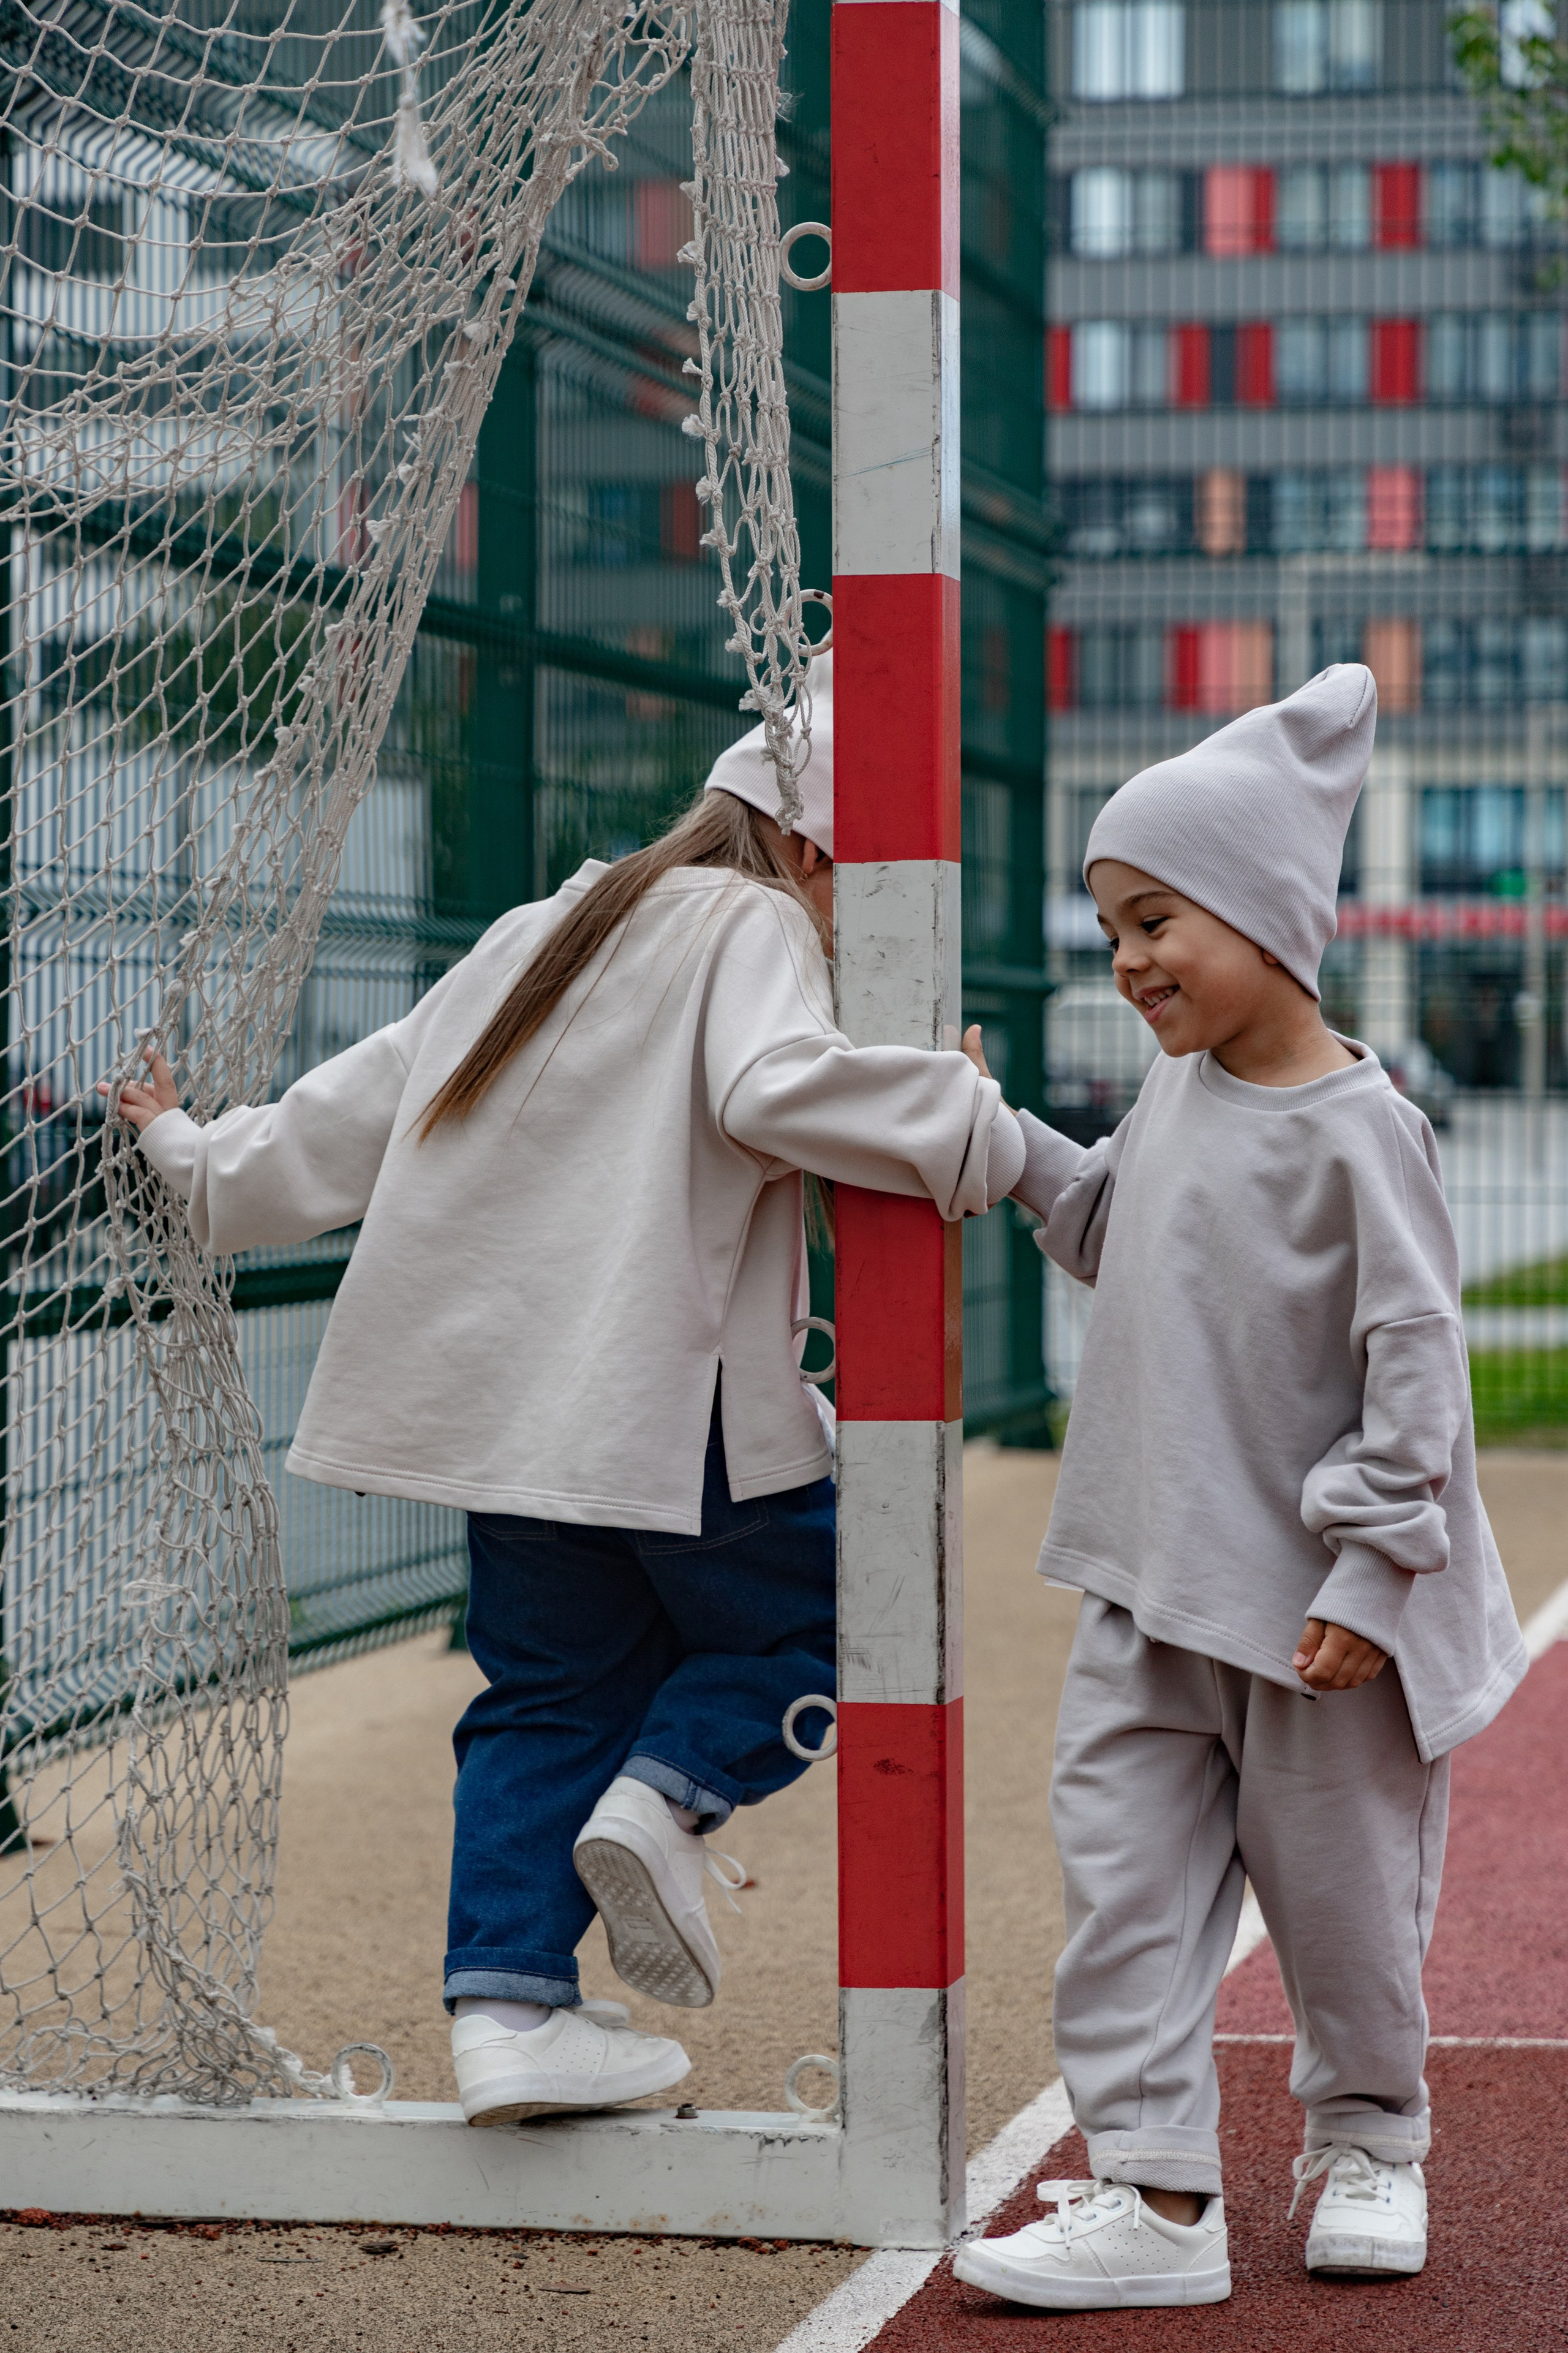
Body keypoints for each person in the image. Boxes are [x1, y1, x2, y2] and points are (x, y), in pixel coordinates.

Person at [105, 652, 1025, 2126]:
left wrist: (194, 1160)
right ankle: (662, 1800)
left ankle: (511, 2008)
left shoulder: (553, 924)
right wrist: (957, 1115)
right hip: (677, 1412)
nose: (856, 923)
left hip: (508, 1423)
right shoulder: (755, 923)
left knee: (542, 1694)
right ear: (808, 852)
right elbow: (773, 1086)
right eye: (865, 888)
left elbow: (354, 1114)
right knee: (835, 1617)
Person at [954, 665, 1526, 2312]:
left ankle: (1369, 2140)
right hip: (1148, 1583)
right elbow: (1111, 1231)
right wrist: (998, 1137)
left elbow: (1418, 1368)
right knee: (1119, 1891)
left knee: (1342, 1913)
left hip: (1316, 1622)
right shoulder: (1177, 1089)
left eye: (1155, 922)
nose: (1128, 962)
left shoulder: (1367, 1133)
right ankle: (1156, 2193)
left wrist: (1368, 1572)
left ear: (1274, 913)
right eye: (1115, 928)